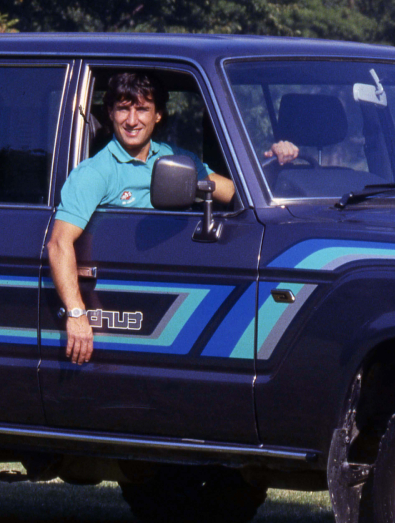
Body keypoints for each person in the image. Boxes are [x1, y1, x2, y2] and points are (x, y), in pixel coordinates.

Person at [48, 71, 296, 363]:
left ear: (158, 116)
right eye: (123, 109)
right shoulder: (95, 173)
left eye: (142, 109)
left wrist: (272, 162)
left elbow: (232, 194)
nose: (131, 120)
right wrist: (76, 314)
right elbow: (59, 244)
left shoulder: (174, 158)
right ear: (110, 113)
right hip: (118, 295)